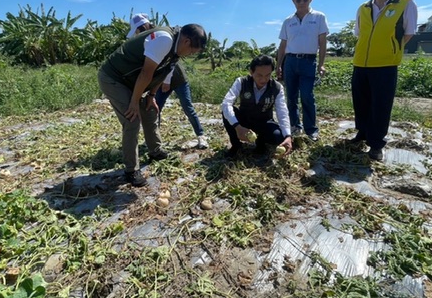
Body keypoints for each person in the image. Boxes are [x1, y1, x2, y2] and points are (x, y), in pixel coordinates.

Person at [98, 17, 207, 186]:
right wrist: (134, 102)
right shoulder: (165, 39)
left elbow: (162, 72)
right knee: (132, 119)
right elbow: (146, 74)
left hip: (130, 81)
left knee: (150, 111)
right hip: (114, 78)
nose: (191, 55)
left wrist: (151, 97)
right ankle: (131, 170)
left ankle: (155, 151)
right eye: (192, 51)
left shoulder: (177, 49)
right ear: (186, 41)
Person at [349, 0, 418, 161]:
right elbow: (359, 34)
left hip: (385, 65)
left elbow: (408, 34)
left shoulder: (405, 3)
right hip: (361, 62)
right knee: (361, 102)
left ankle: (377, 144)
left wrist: (389, 49)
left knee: (381, 105)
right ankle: (362, 133)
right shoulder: (363, 8)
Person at [276, 0, 329, 141]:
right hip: (290, 62)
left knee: (307, 95)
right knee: (291, 97)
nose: (301, 2)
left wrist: (321, 64)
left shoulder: (319, 17)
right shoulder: (288, 21)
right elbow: (283, 45)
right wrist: (278, 65)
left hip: (308, 61)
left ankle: (311, 129)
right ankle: (294, 126)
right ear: (293, 0)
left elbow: (322, 42)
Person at [221, 54, 293, 158]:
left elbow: (282, 112)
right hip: (244, 121)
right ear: (251, 72)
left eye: (268, 75)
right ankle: (236, 145)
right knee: (227, 112)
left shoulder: (277, 88)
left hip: (264, 122)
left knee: (278, 137)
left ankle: (261, 144)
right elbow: (226, 103)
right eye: (259, 75)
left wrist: (288, 136)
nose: (263, 80)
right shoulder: (241, 82)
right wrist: (238, 127)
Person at [155, 61, 209, 149]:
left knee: (187, 107)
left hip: (179, 80)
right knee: (155, 108)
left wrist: (167, 81)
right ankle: (154, 138)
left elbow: (171, 62)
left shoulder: (163, 48)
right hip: (161, 81)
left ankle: (201, 135)